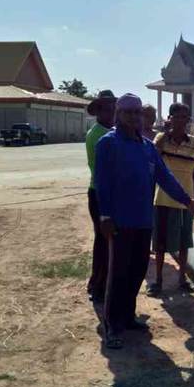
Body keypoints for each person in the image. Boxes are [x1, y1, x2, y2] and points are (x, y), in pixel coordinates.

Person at [95, 93, 194, 349]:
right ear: (119, 115)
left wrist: (187, 201)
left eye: (137, 113)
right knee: (118, 274)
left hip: (144, 220)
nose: (134, 117)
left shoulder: (147, 147)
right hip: (119, 222)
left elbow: (165, 179)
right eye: (128, 112)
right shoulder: (107, 144)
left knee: (137, 271)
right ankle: (112, 326)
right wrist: (105, 216)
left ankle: (128, 316)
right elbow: (102, 183)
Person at [148, 103, 194, 296]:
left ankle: (182, 280)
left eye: (185, 117)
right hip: (163, 199)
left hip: (186, 201)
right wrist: (163, 137)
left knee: (184, 242)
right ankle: (158, 281)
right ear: (169, 119)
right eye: (177, 116)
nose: (181, 121)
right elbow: (152, 160)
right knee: (160, 244)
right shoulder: (161, 140)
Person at [85, 90, 116, 303]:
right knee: (104, 241)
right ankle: (99, 286)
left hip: (104, 191)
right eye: (107, 108)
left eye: (113, 108)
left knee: (105, 241)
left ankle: (99, 283)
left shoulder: (106, 131)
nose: (111, 112)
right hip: (100, 192)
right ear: (98, 111)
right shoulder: (99, 135)